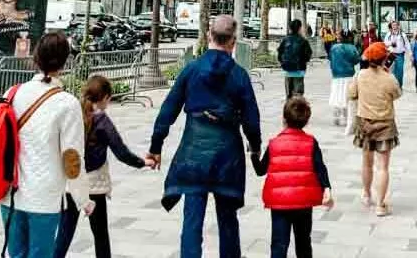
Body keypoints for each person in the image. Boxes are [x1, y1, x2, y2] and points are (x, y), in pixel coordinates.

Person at [146, 15, 261, 258]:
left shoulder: (192, 70)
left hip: (194, 150)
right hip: (228, 152)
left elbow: (168, 110)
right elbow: (252, 118)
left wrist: (156, 146)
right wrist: (255, 146)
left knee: (192, 219)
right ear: (233, 41)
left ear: (209, 35)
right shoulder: (239, 75)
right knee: (228, 218)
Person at [2, 31, 93, 258]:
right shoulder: (67, 103)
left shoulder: (13, 94)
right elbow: (72, 158)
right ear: (65, 62)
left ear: (35, 58)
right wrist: (83, 199)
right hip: (44, 197)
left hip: (9, 194)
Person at [54, 77, 154, 258]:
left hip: (72, 182)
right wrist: (142, 162)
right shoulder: (102, 121)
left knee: (64, 233)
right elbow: (121, 152)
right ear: (105, 97)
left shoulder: (74, 114)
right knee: (100, 234)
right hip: (94, 184)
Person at [251, 96, 334, 258]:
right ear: (306, 120)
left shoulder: (274, 143)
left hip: (280, 203)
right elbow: (320, 168)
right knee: (303, 242)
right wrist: (327, 188)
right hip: (304, 202)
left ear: (284, 119)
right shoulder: (311, 142)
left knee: (279, 243)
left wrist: (254, 155)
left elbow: (261, 170)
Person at [349, 41, 401, 217]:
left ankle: (366, 193)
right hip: (385, 123)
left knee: (366, 161)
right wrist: (387, 73)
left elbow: (351, 94)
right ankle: (380, 205)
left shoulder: (360, 75)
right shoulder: (389, 78)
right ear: (384, 59)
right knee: (383, 166)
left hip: (364, 122)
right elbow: (397, 94)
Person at [328, 30, 361, 125]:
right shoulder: (352, 48)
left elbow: (330, 58)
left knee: (336, 95)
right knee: (348, 96)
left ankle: (336, 117)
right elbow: (356, 60)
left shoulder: (334, 48)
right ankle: (347, 118)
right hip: (348, 74)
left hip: (336, 75)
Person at [278, 19, 313, 99]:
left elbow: (280, 53)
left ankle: (289, 109)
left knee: (289, 95)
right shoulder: (303, 41)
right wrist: (304, 62)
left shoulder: (285, 39)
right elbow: (308, 54)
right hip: (299, 70)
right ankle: (297, 110)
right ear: (300, 28)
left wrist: (283, 62)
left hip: (287, 70)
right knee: (298, 95)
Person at [384, 20, 409, 89]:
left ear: (398, 26)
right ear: (391, 26)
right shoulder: (388, 34)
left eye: (395, 25)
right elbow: (385, 43)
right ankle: (393, 86)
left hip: (400, 55)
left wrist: (410, 54)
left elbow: (407, 44)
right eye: (393, 25)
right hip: (391, 55)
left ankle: (399, 86)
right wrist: (391, 43)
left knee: (400, 71)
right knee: (391, 71)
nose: (394, 27)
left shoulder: (402, 35)